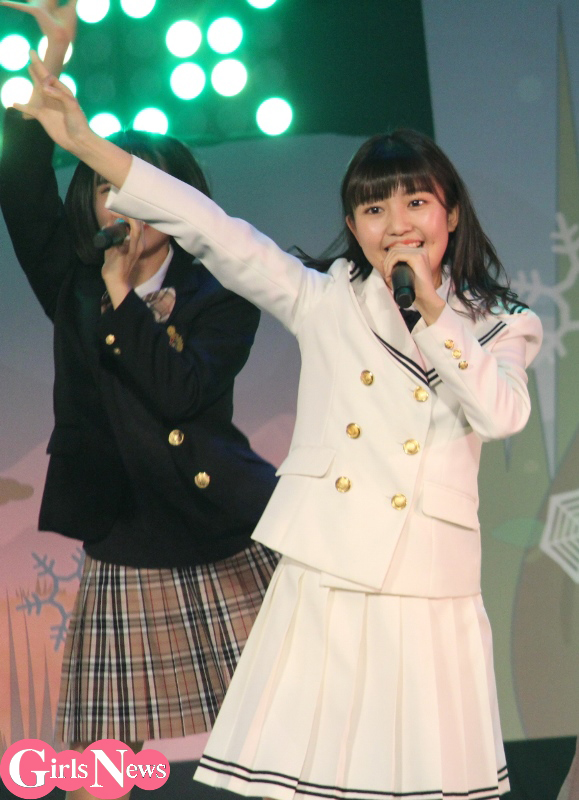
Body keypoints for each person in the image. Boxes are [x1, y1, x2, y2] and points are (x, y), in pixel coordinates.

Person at [17, 52, 544, 800]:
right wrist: (84, 143)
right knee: (317, 779)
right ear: (353, 225)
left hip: (431, 583)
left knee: (430, 780)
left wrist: (433, 312)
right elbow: (209, 228)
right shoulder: (322, 298)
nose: (396, 225)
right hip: (328, 570)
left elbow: (501, 413)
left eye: (415, 203)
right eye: (373, 210)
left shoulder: (502, 324)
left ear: (450, 212)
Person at [0, 5, 278, 799]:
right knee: (97, 762)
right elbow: (20, 182)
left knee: (298, 726)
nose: (115, 201)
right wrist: (52, 57)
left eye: (132, 184)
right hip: (125, 532)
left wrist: (125, 301)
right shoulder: (73, 283)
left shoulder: (222, 293)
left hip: (222, 530)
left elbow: (179, 390)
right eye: (100, 186)